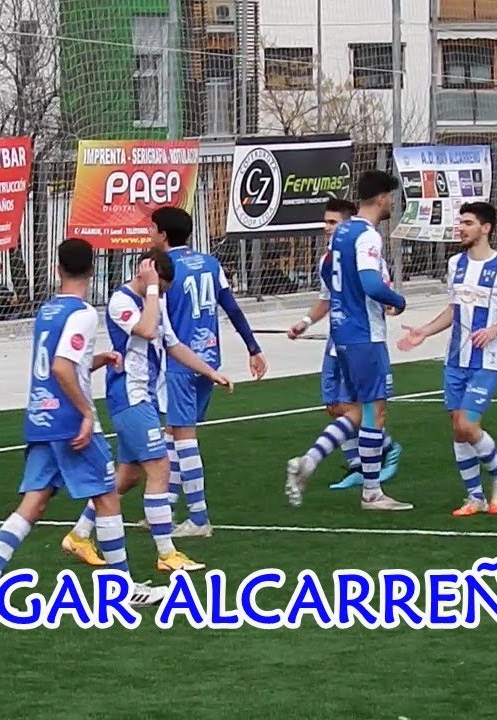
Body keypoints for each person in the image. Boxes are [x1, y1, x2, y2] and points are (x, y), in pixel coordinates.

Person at [0, 238, 167, 607]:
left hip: (41, 418)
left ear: (57, 269)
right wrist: (85, 413)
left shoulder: (47, 311)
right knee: (107, 497)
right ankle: (123, 589)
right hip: (70, 421)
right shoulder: (83, 313)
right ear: (92, 270)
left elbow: (60, 363)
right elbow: (61, 367)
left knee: (33, 503)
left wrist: (98, 359)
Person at [61, 250, 231, 574]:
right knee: (160, 467)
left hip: (145, 397)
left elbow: (173, 344)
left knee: (128, 476)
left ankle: (79, 534)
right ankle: (166, 552)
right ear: (146, 274)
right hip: (130, 396)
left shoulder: (155, 301)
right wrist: (153, 289)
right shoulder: (120, 301)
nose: (163, 294)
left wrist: (209, 372)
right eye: (160, 287)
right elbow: (148, 330)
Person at [286, 170, 412, 511]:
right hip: (365, 334)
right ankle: (372, 492)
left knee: (356, 410)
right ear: (382, 197)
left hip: (341, 333)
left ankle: (310, 461)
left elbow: (331, 278)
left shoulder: (340, 234)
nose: (392, 204)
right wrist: (397, 300)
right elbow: (370, 283)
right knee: (375, 412)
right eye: (391, 198)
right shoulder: (367, 235)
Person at [397, 202, 497, 516]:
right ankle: (475, 497)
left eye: (468, 223)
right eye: (461, 223)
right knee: (458, 428)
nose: (461, 228)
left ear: (486, 228)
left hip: (486, 361)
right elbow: (454, 309)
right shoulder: (455, 263)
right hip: (455, 360)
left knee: (469, 424)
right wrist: (425, 331)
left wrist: (495, 328)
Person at [151, 206, 267, 538]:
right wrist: (253, 347)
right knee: (174, 431)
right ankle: (165, 506)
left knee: (183, 436)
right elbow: (231, 307)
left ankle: (199, 518)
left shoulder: (163, 268)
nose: (150, 234)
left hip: (181, 361)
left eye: (152, 229)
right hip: (208, 358)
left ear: (163, 234)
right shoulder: (210, 263)